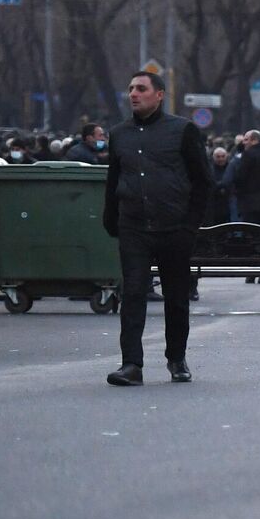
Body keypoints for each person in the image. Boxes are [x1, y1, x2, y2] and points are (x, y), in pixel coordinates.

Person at [102, 71, 212, 386]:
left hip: (174, 227)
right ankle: (131, 365)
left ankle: (176, 358)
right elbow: (113, 179)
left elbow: (203, 181)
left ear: (159, 94)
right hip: (134, 226)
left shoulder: (182, 131)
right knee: (133, 292)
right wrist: (111, 219)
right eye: (131, 88)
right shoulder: (119, 134)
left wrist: (190, 225)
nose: (133, 94)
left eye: (141, 88)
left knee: (176, 297)